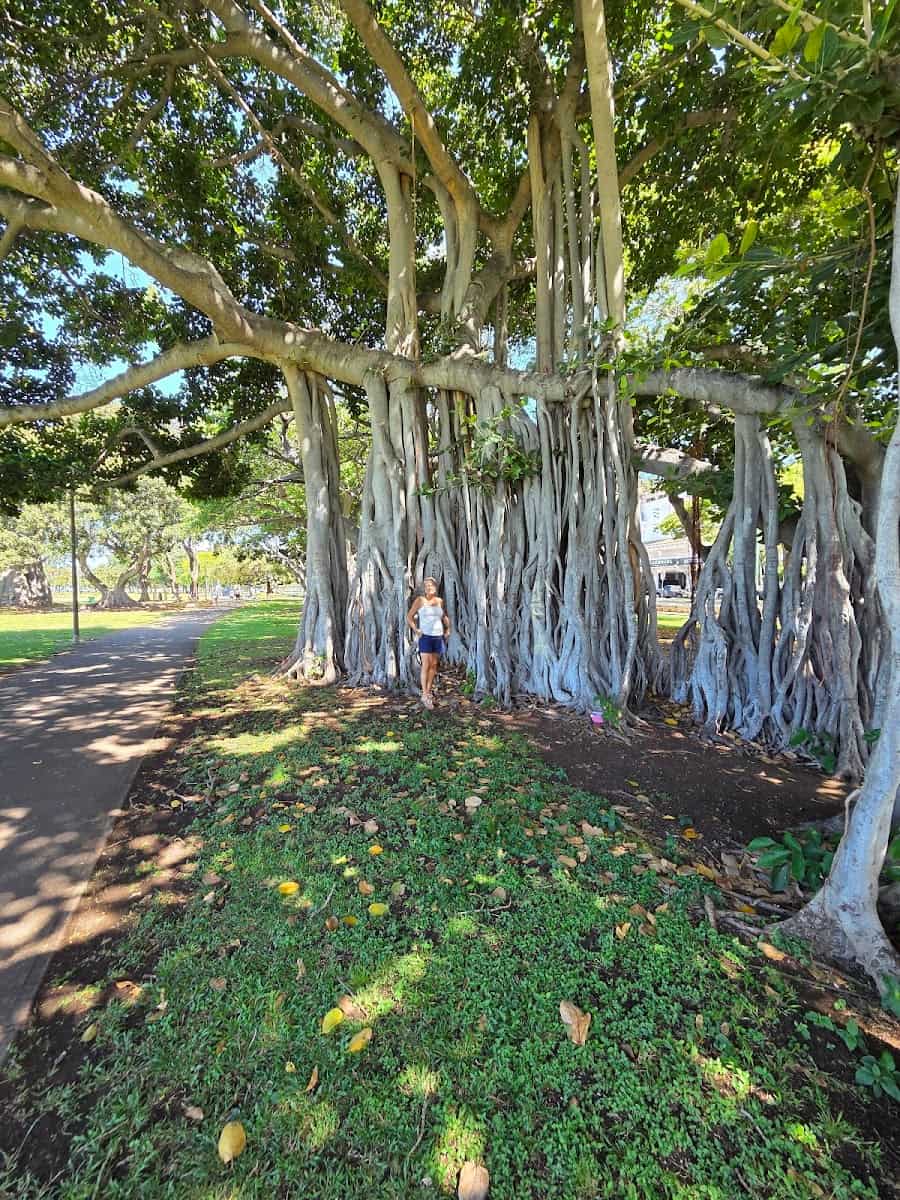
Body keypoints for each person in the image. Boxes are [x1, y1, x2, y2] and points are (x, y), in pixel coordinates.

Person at [406, 576, 451, 709]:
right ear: (424, 589)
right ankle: (424, 694)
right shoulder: (420, 601)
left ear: (435, 587)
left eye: (431, 585)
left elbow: (443, 616)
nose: (429, 588)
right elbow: (409, 617)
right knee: (426, 664)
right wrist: (416, 629)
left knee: (434, 665)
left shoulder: (439, 601)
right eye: (426, 586)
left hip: (438, 636)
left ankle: (429, 691)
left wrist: (448, 628)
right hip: (425, 636)